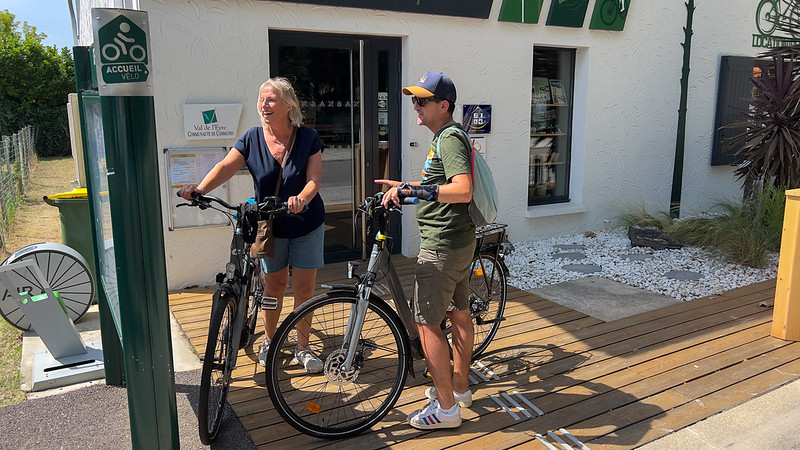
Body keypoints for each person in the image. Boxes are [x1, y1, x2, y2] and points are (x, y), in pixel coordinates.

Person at [179, 77, 325, 373]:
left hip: (305, 222)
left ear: (288, 105)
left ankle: (302, 347)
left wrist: (302, 198)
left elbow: (314, 180)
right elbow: (225, 167)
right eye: (261, 99)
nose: (264, 105)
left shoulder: (308, 138)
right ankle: (271, 340)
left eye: (271, 99)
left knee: (303, 288)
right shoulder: (252, 138)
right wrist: (201, 189)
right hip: (267, 225)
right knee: (274, 287)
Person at [376, 71, 475, 429]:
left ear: (443, 105)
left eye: (422, 100)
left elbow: (461, 189)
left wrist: (419, 192)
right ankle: (460, 388)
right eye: (413, 100)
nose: (415, 106)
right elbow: (440, 183)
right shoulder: (447, 136)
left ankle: (447, 410)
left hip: (442, 246)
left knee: (426, 324)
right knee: (459, 313)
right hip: (458, 240)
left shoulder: (448, 138)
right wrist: (406, 186)